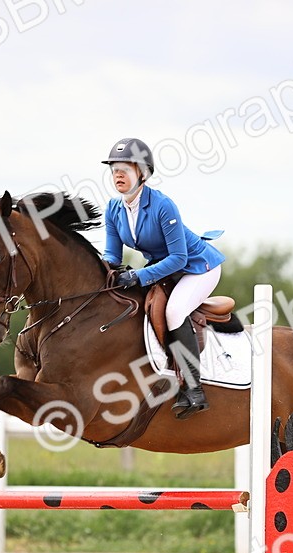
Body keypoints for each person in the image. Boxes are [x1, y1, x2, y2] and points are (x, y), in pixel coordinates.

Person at [101, 137, 225, 420]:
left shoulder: (162, 205)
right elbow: (111, 255)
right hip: (164, 267)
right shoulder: (113, 209)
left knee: (175, 311)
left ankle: (194, 389)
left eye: (125, 168)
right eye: (114, 169)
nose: (118, 174)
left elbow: (179, 258)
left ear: (142, 173)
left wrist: (139, 275)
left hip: (198, 266)